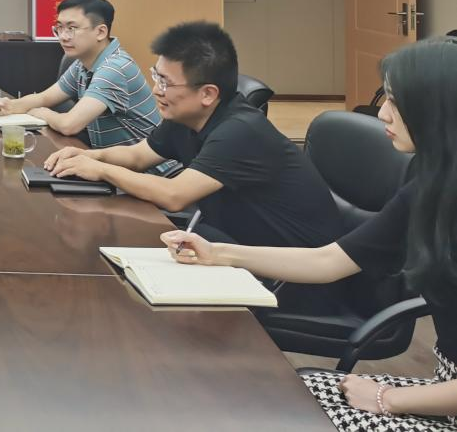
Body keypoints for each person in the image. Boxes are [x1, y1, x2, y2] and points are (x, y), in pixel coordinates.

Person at [162, 39, 457, 430]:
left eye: (396, 101)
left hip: (443, 400)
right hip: (444, 391)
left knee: (280, 415)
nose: (383, 112)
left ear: (436, 107)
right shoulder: (430, 184)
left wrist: (388, 399)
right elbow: (329, 260)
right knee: (267, 399)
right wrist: (217, 253)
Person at [44, 20, 345, 309]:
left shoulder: (240, 131)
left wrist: (102, 170)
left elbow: (174, 196)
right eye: (156, 76)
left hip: (294, 283)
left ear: (207, 94)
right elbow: (137, 156)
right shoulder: (186, 117)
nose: (156, 89)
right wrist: (89, 157)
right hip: (231, 251)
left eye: (165, 82)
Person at [0, 0, 161, 147]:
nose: (63, 37)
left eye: (72, 29)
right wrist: (9, 106)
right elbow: (44, 98)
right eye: (60, 28)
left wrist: (42, 113)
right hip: (114, 161)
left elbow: (69, 125)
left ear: (101, 32)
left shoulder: (114, 69)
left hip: (148, 167)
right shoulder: (82, 64)